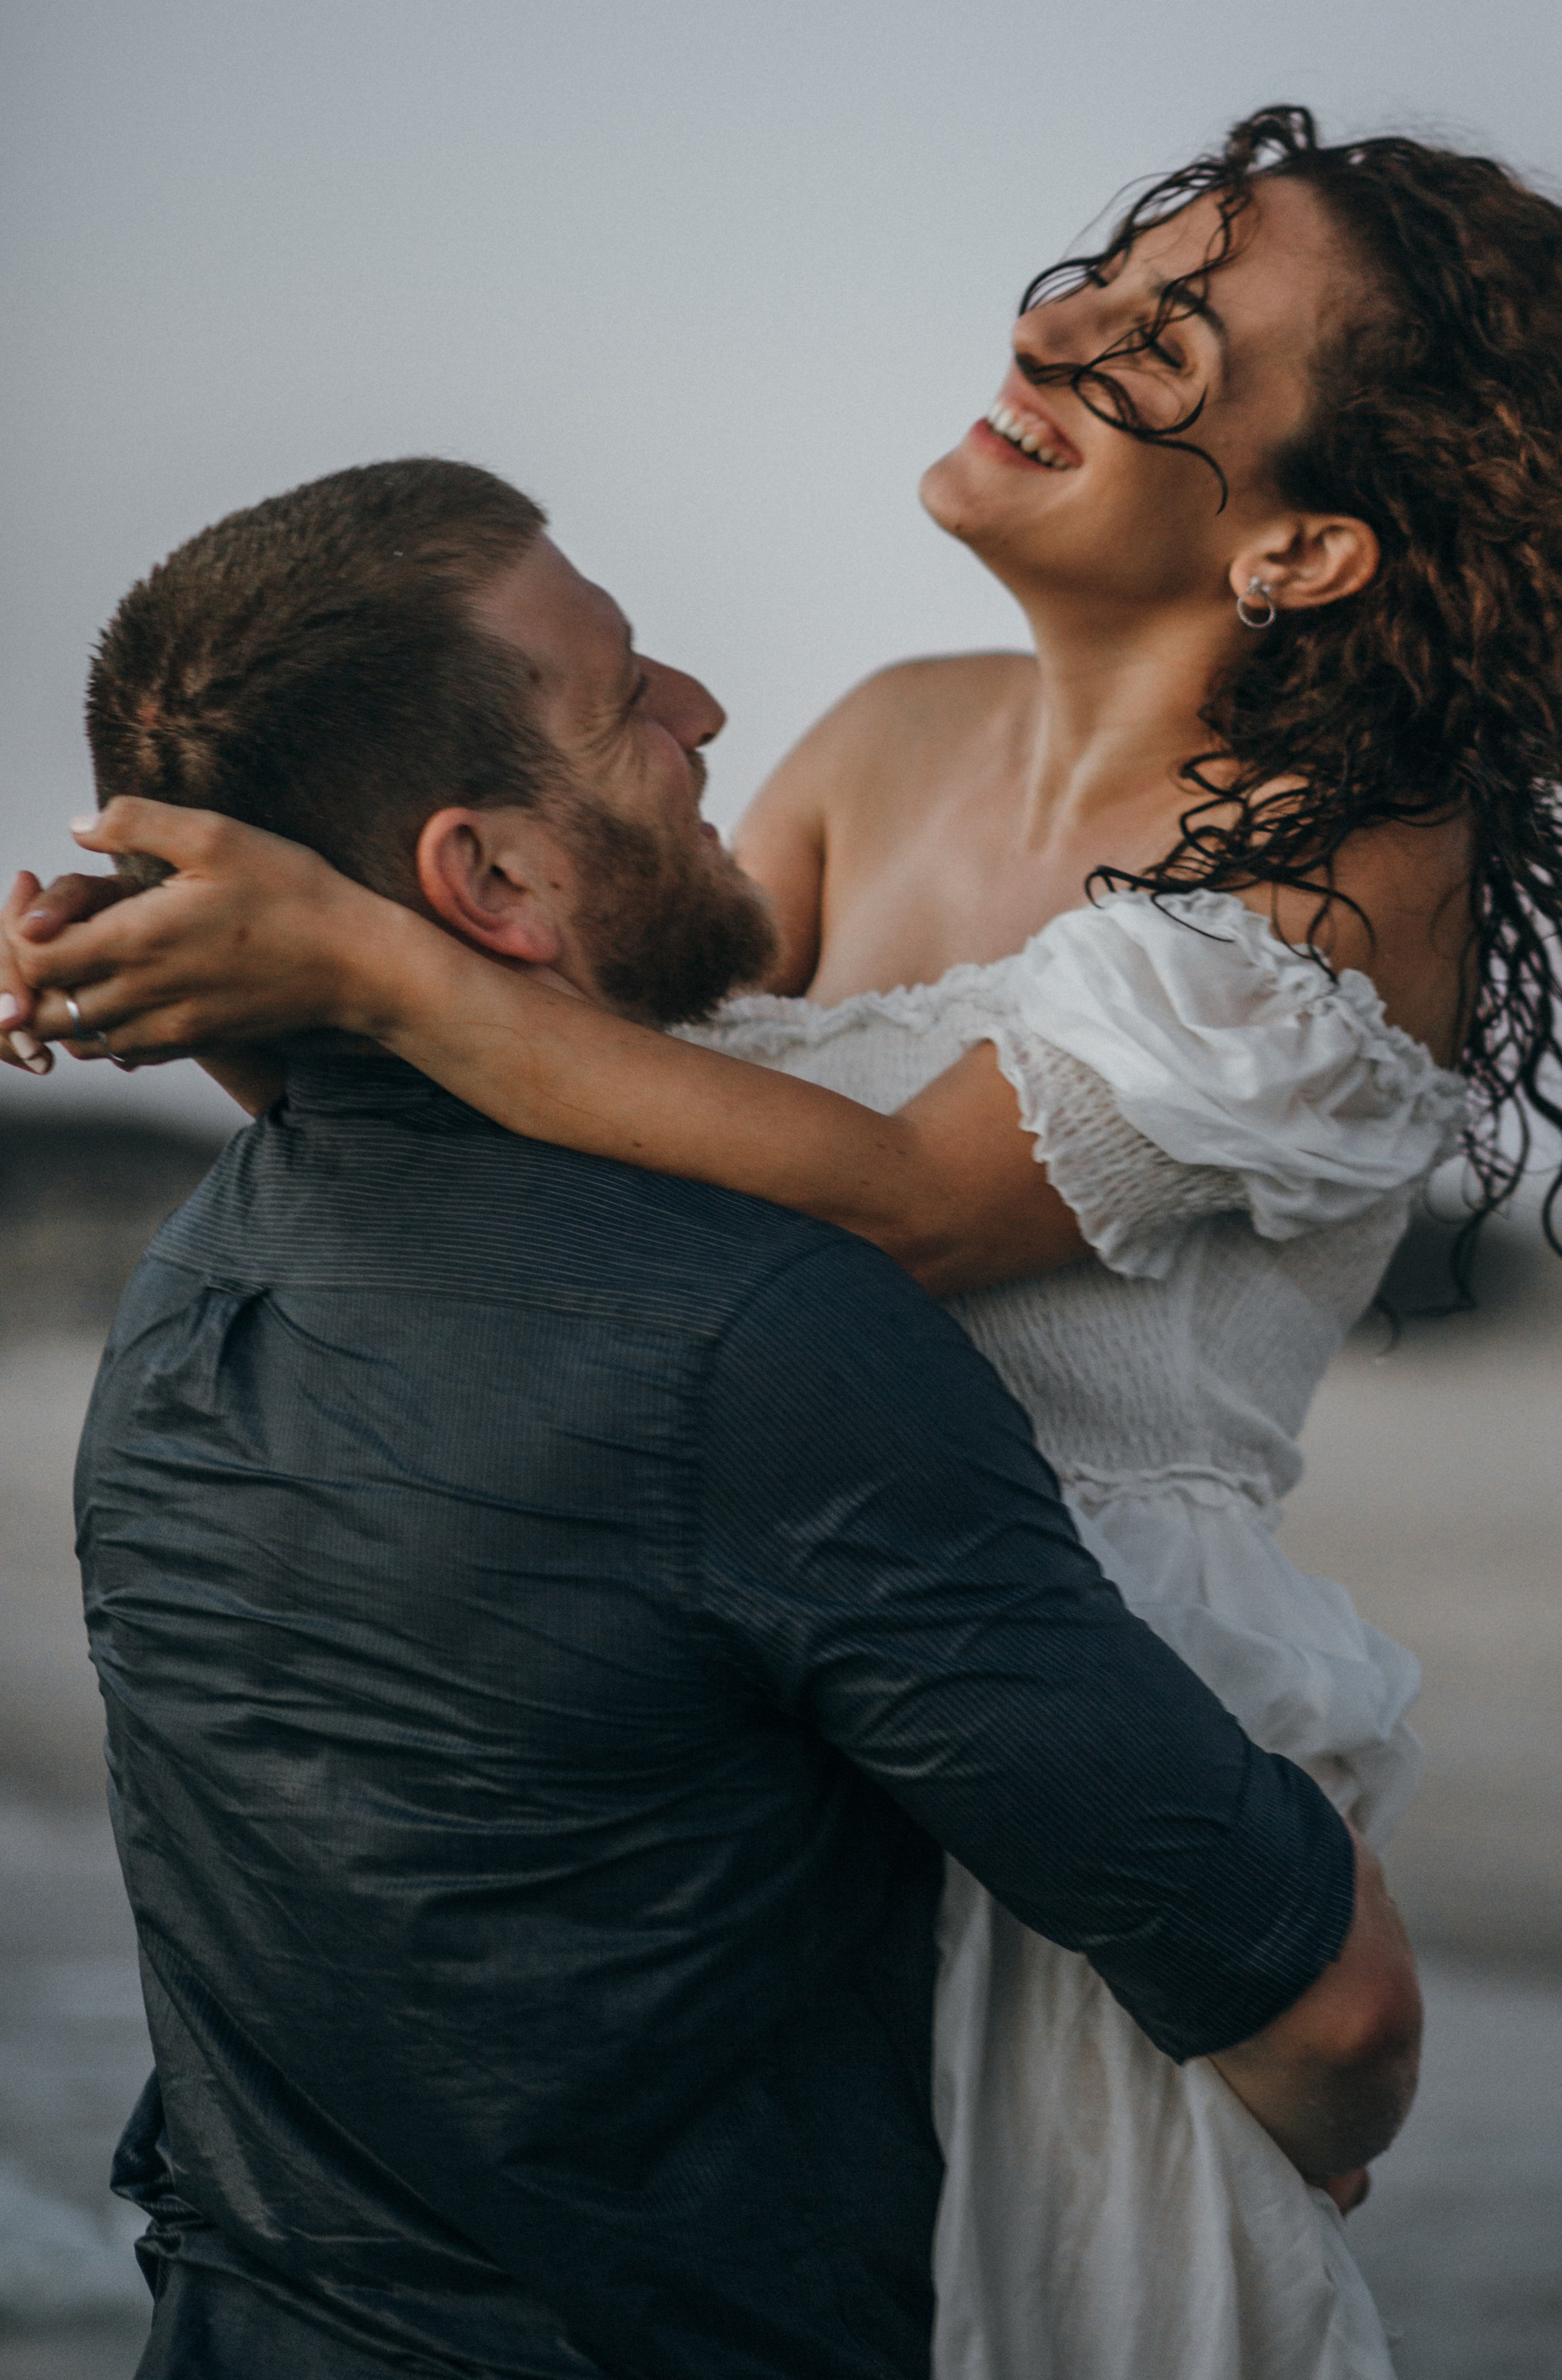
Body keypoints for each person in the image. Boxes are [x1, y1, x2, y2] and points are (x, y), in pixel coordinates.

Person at [7, 105, 1562, 2375]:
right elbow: (587, 1135)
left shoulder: (1347, 853)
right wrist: (229, 985)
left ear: (1301, 551)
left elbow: (892, 1205)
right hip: (752, 1640)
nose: (1065, 322)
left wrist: (372, 965)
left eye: (1177, 343)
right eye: (1114, 269)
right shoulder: (888, 736)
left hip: (1070, 1713)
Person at [41, 455, 1420, 2380]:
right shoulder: (760, 1333)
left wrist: (310, 993)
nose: (700, 709)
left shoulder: (187, 1304)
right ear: (487, 880)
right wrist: (1286, 2120)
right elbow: (1333, 2019)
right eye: (624, 698)